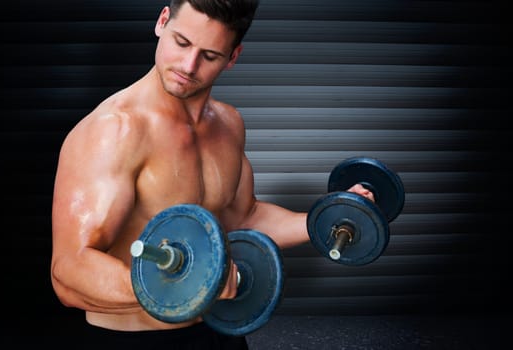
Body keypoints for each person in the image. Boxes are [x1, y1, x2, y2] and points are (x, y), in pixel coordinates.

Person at [50, 0, 373, 348]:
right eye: (182, 42)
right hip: (132, 338)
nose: (188, 66)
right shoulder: (114, 131)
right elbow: (69, 273)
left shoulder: (228, 124)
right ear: (162, 22)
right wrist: (185, 288)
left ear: (233, 57)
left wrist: (328, 216)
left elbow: (243, 217)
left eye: (210, 55)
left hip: (216, 330)